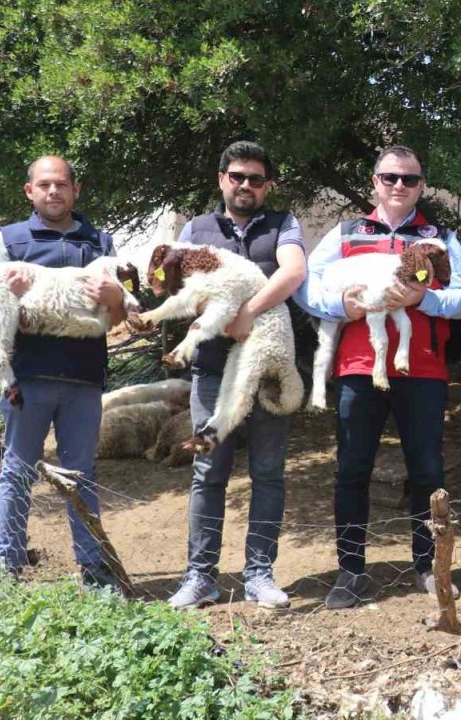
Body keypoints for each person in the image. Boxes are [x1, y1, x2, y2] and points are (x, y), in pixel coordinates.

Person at [295, 145, 461, 609]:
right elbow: (307, 286)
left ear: (421, 186)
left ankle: (429, 568)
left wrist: (422, 302)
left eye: (409, 180)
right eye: (390, 177)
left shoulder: (440, 238)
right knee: (352, 470)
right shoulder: (346, 232)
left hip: (423, 369)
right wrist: (342, 307)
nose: (399, 186)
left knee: (428, 472)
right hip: (357, 368)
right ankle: (351, 572)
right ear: (374, 181)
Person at [167, 141, 307, 610]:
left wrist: (247, 311)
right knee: (208, 471)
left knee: (268, 474)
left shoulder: (283, 225)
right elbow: (184, 284)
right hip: (212, 372)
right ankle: (200, 576)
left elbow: (293, 274)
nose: (245, 185)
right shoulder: (196, 228)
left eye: (254, 178)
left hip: (267, 370)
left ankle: (259, 576)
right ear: (222, 179)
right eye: (236, 176)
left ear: (267, 185)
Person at [0, 156, 131, 590]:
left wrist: (114, 297)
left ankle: (94, 569)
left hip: (84, 380)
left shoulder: (101, 243)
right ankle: (5, 566)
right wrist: (3, 293)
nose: (54, 192)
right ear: (30, 191)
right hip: (25, 380)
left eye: (61, 185)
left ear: (75, 190)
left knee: (81, 475)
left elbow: (122, 316)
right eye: (44, 185)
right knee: (17, 470)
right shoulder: (8, 242)